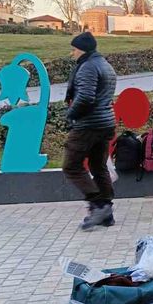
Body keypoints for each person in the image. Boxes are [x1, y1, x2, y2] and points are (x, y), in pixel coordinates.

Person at [63, 32, 118, 231]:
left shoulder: (88, 67)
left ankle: (98, 205)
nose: (72, 53)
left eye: (74, 49)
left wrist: (71, 114)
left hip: (88, 125)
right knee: (98, 166)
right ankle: (107, 213)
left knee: (71, 166)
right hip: (105, 124)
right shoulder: (105, 65)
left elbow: (85, 97)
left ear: (83, 49)